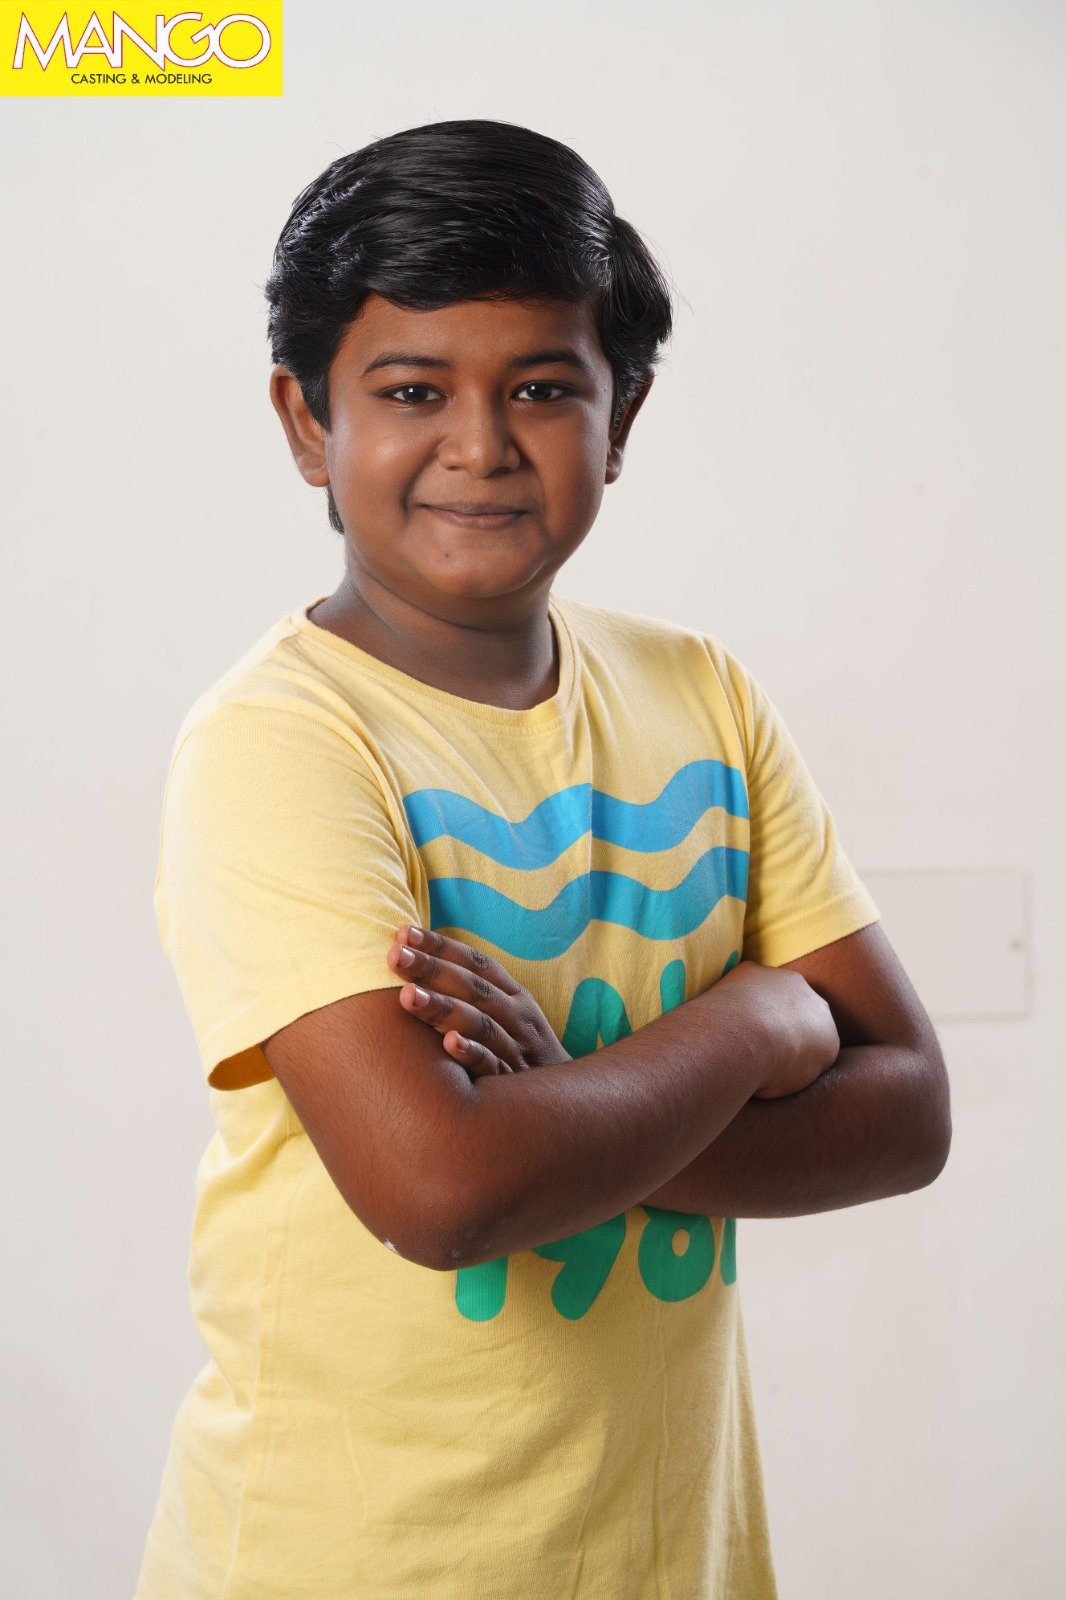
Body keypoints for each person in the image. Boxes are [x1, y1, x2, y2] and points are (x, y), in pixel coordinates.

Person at [134, 118, 951, 1600]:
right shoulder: (280, 744)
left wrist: (552, 1120)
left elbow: (906, 1111)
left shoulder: (700, 691)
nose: (480, 443)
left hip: (672, 1554)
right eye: (410, 390)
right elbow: (442, 1194)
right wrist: (752, 1023)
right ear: (307, 422)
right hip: (362, 1563)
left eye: (541, 387)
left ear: (619, 415)